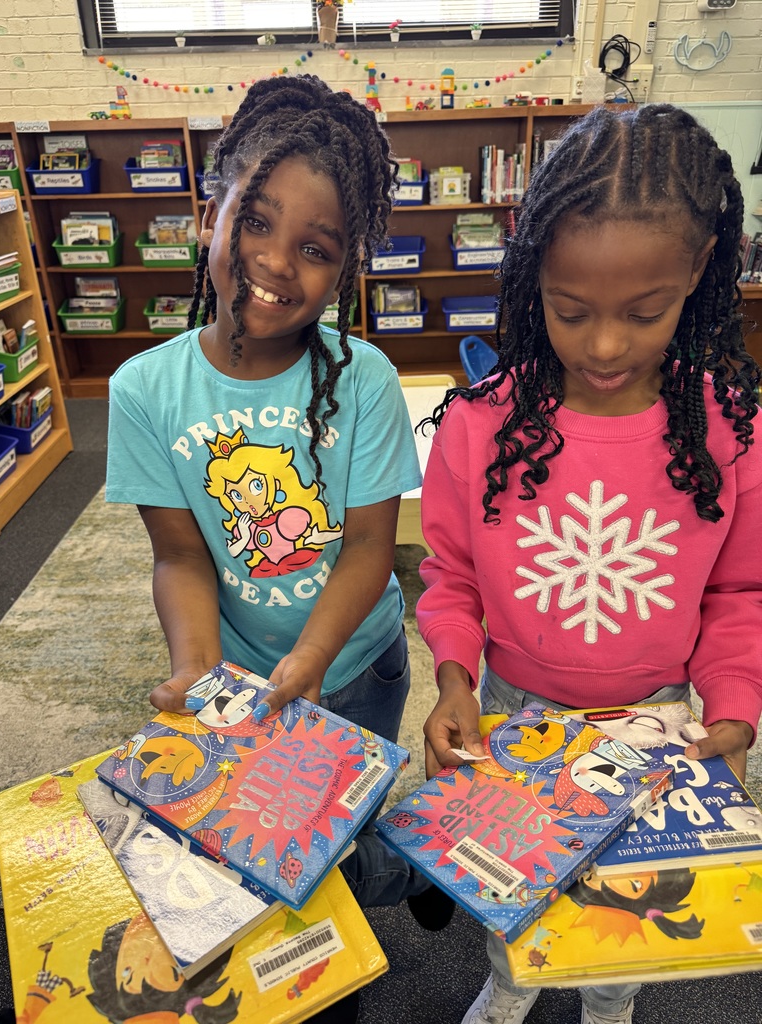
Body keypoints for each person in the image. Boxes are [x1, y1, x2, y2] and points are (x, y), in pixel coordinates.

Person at [415, 103, 762, 1024]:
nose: (604, 345)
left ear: (699, 272)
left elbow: (739, 591)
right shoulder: (480, 422)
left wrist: (733, 704)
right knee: (515, 880)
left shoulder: (729, 429)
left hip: (654, 722)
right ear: (535, 281)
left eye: (644, 312)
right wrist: (453, 674)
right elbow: (449, 573)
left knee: (634, 897)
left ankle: (610, 1006)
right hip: (514, 710)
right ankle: (511, 981)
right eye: (571, 311)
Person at [106, 75, 446, 957]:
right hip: (241, 670)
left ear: (347, 265)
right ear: (208, 216)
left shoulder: (363, 378)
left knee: (337, 830)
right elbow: (178, 556)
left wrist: (315, 661)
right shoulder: (143, 390)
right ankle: (396, 874)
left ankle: (406, 869)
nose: (275, 261)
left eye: (316, 247)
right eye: (255, 222)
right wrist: (200, 674)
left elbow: (372, 544)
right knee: (261, 834)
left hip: (359, 662)